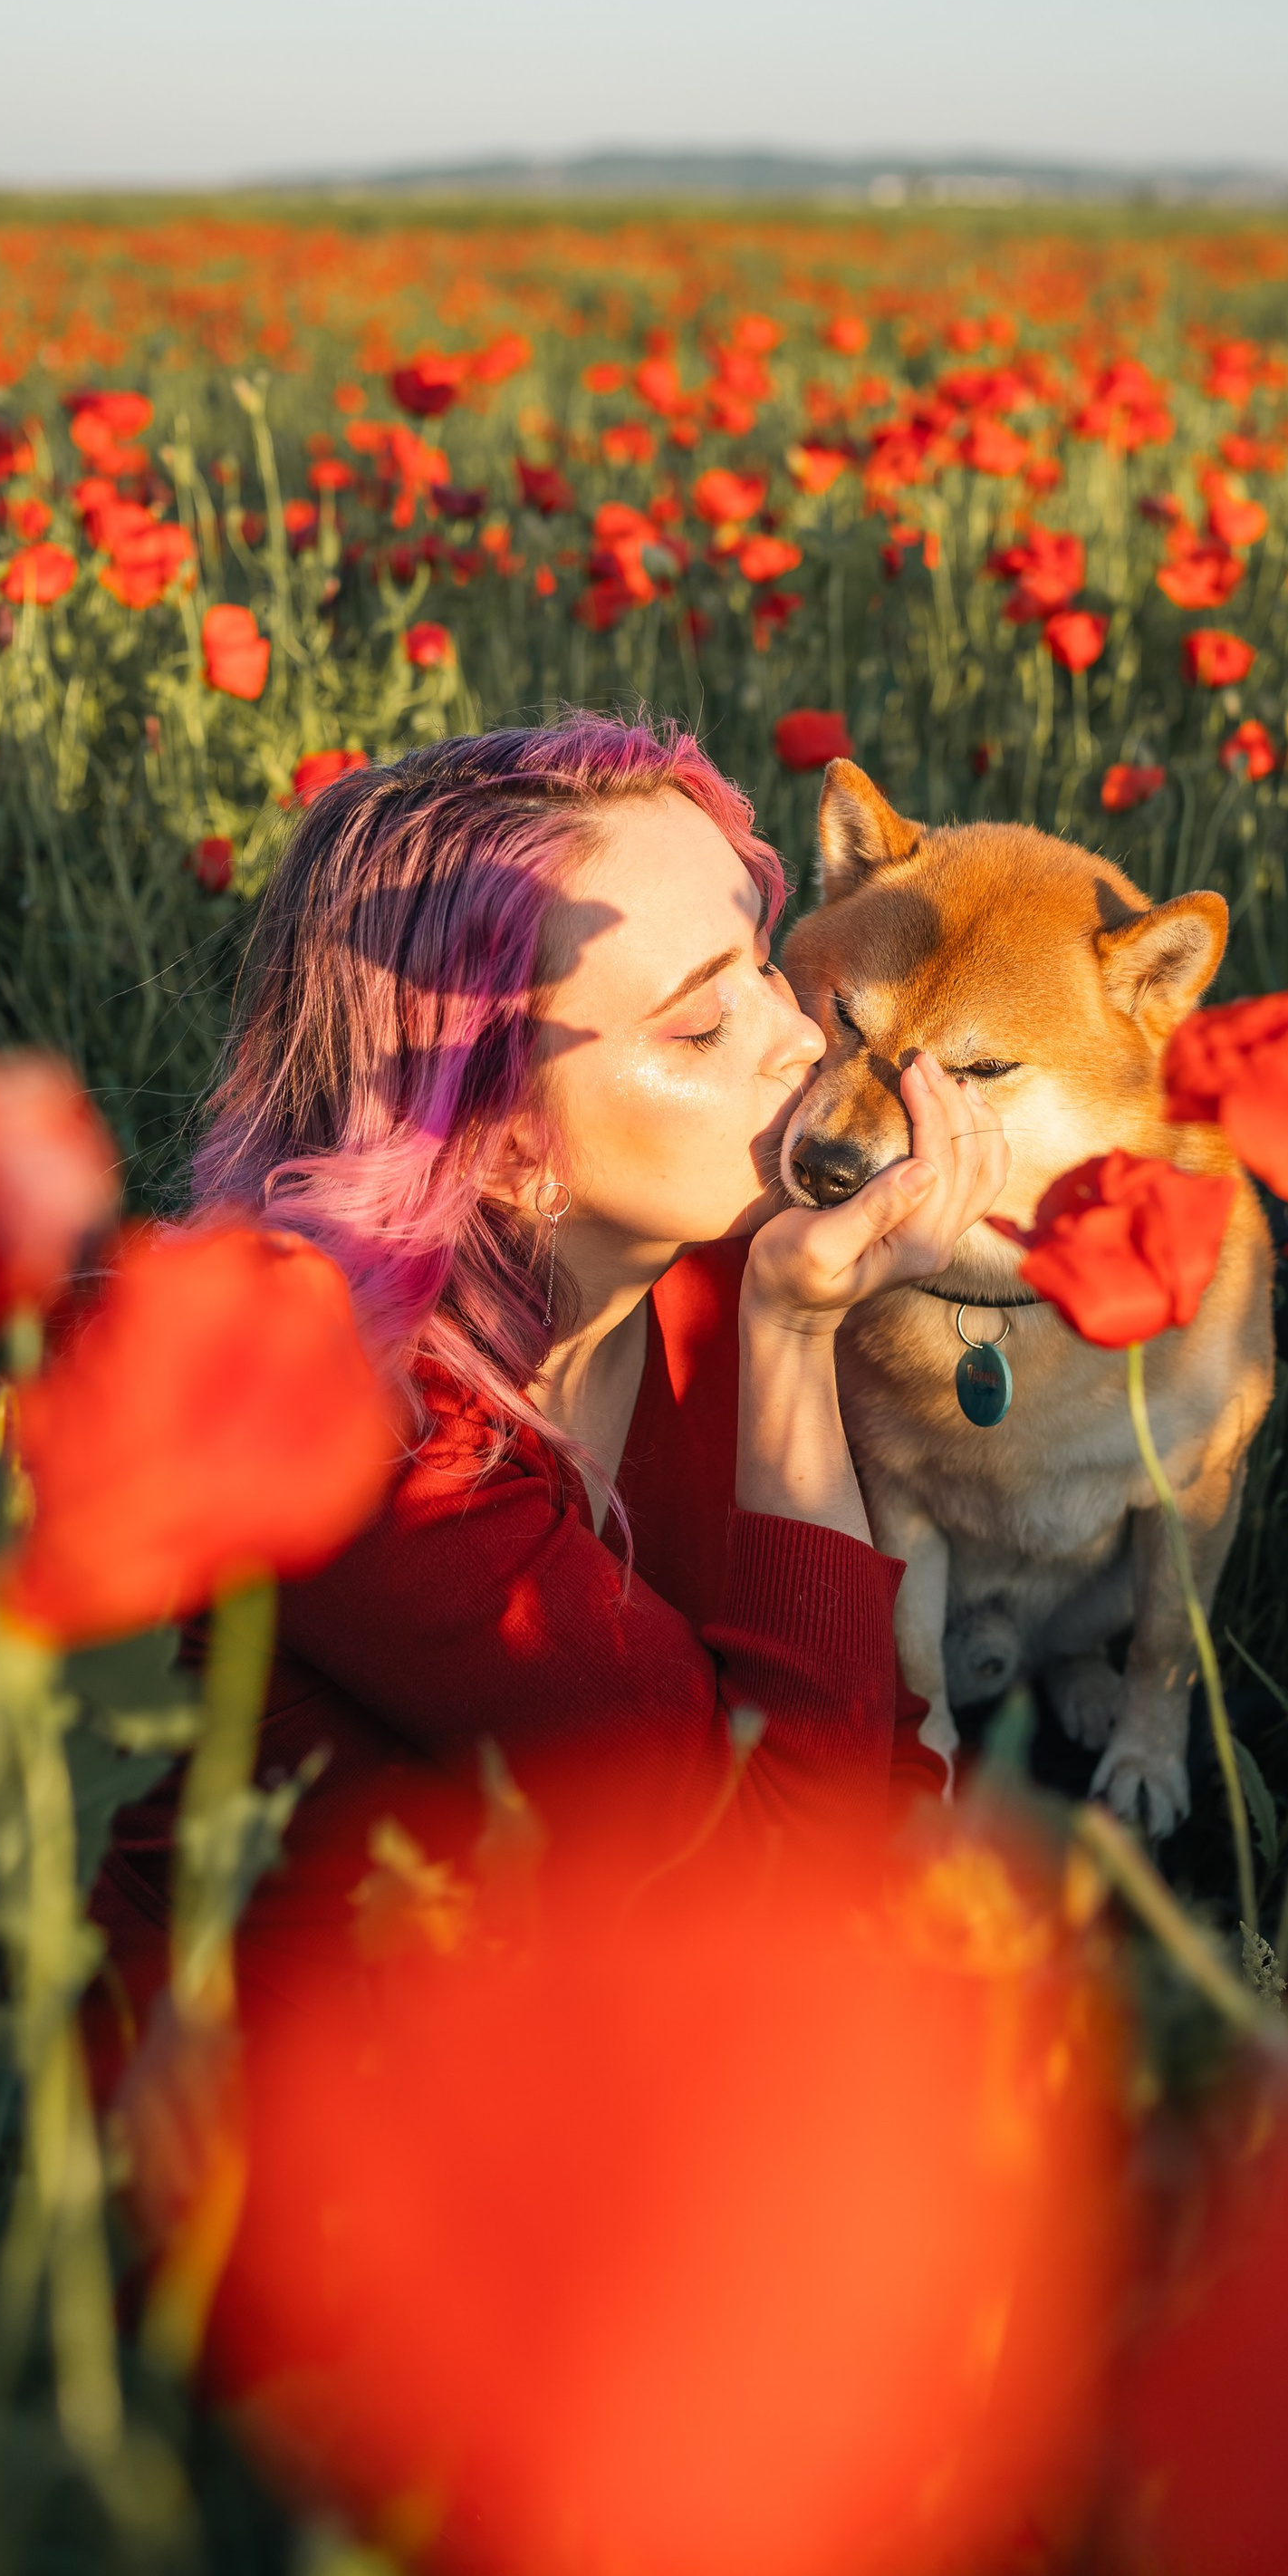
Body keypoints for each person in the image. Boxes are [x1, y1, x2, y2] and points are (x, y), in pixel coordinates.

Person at [99, 712, 1007, 1975]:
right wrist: (798, 1340)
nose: (802, 1040)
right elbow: (784, 1868)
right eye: (702, 1027)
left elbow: (866, 1759)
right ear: (512, 1147)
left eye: (760, 967)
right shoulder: (348, 1431)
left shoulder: (711, 1282)